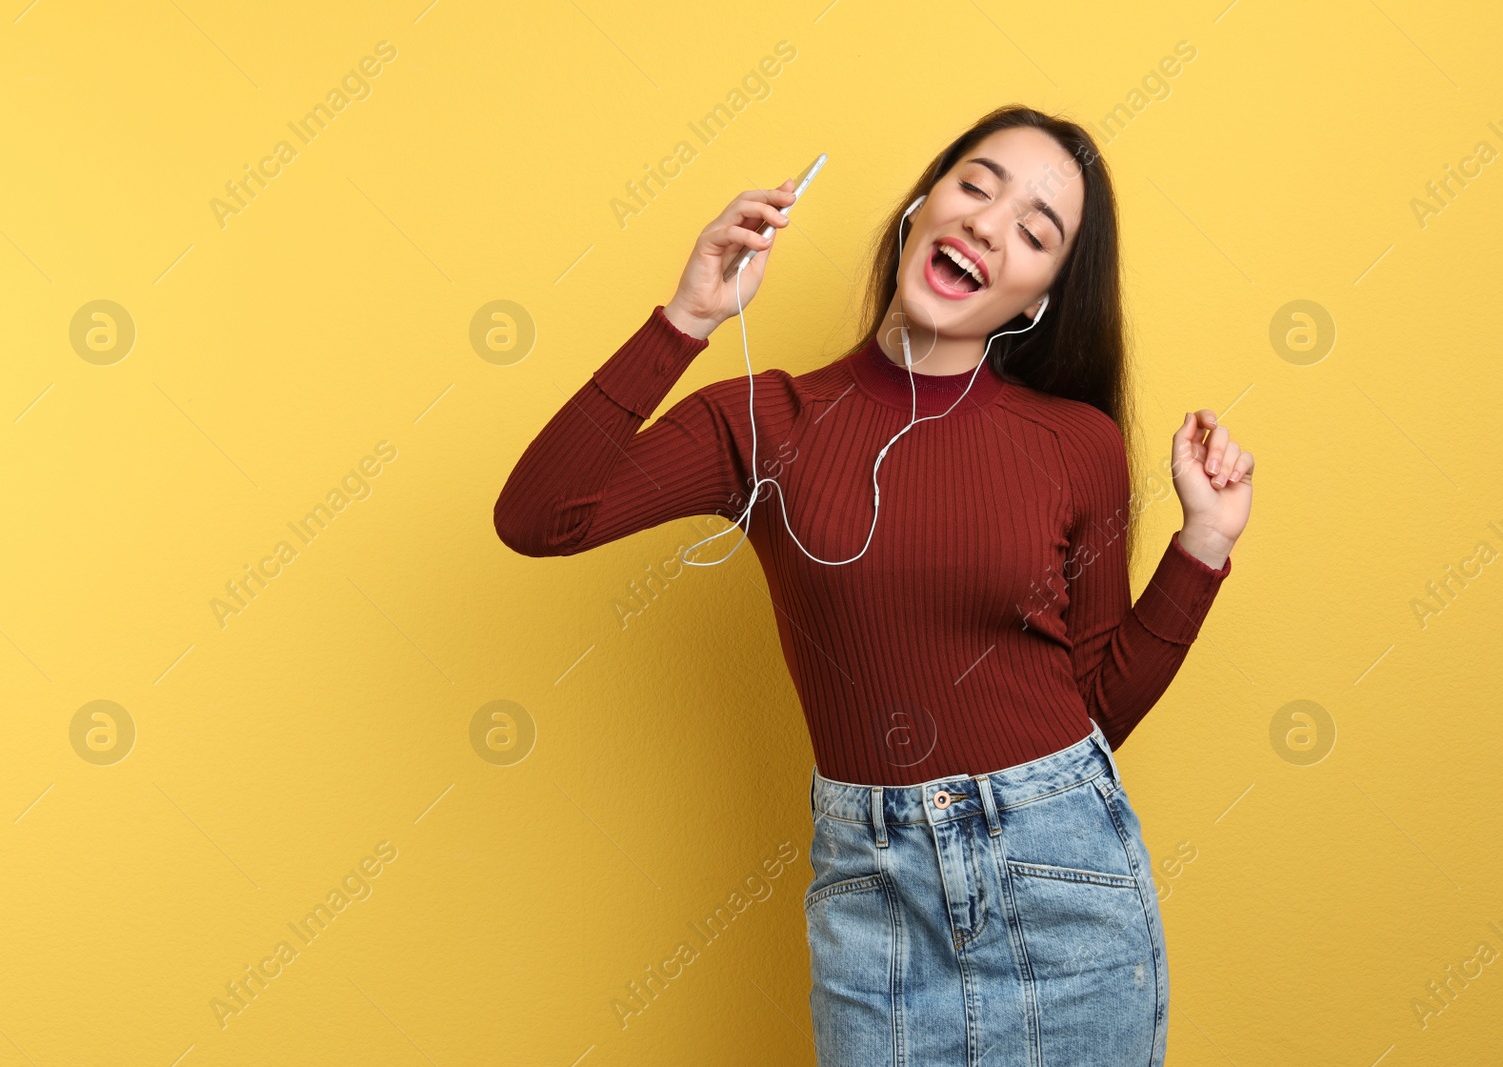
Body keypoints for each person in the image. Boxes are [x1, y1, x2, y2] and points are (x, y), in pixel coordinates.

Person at [494, 104, 1253, 1066]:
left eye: (1034, 230)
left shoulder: (1077, 445)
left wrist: (1203, 547)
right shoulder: (767, 421)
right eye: (975, 186)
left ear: (1037, 299)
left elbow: (1097, 707)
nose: (988, 223)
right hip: (874, 896)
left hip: (1066, 884)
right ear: (920, 209)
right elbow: (539, 516)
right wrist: (688, 316)